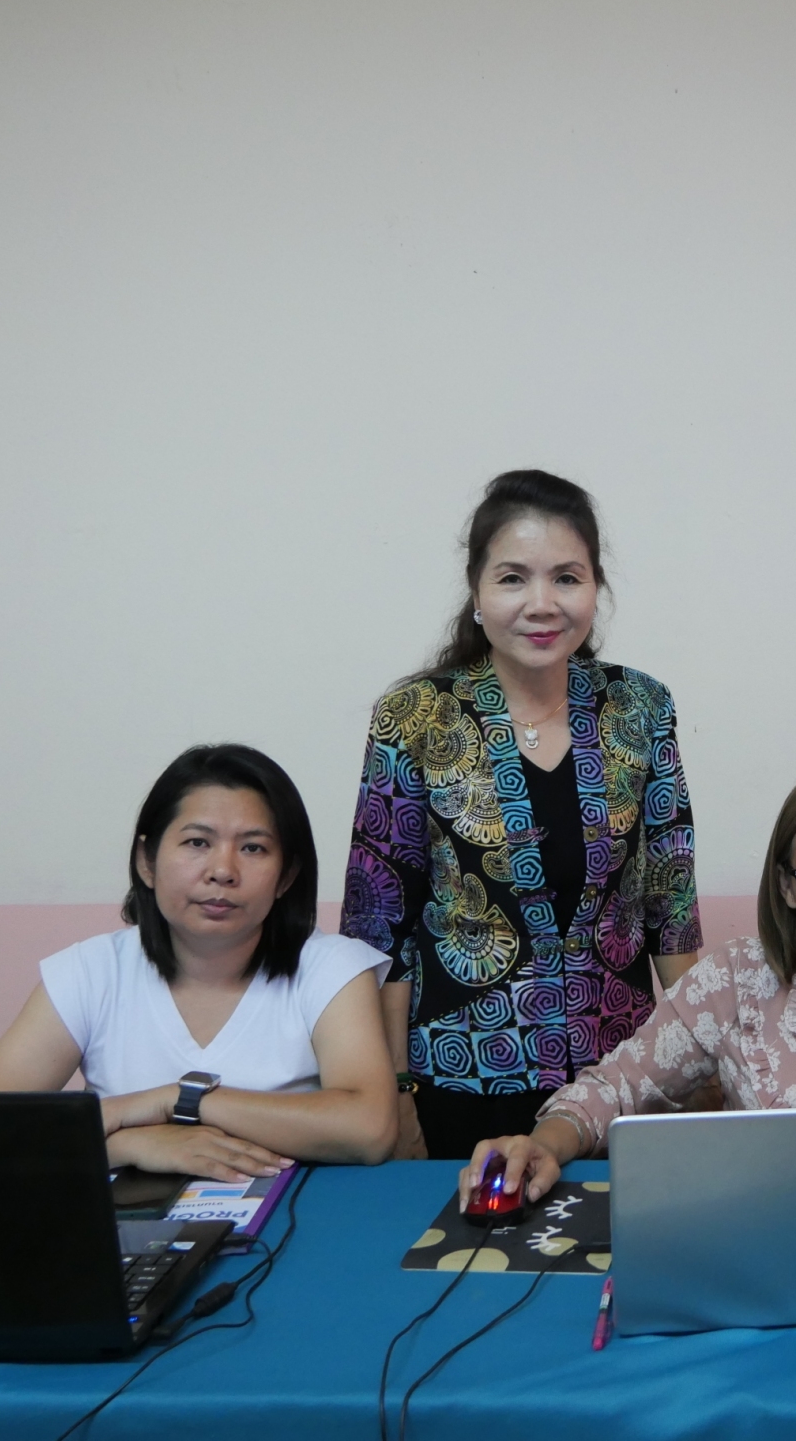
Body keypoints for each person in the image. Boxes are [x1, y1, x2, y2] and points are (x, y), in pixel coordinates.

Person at [340, 470, 703, 1160]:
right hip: (460, 1075)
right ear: (477, 593)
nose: (542, 604)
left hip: (619, 1074)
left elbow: (671, 907)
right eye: (513, 579)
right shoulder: (415, 717)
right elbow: (378, 928)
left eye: (566, 578)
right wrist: (395, 1092)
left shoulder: (641, 708)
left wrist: (700, 1065)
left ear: (595, 587)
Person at [460, 761, 796, 1207]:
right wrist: (543, 1144)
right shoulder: (735, 979)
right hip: (758, 1247)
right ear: (788, 889)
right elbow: (615, 1087)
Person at [0, 745, 397, 1179]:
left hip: (292, 1213)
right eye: (197, 842)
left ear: (286, 876)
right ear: (147, 862)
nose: (222, 870)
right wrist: (124, 1144)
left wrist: (178, 1101)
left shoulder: (331, 969)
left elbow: (369, 1130)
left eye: (253, 848)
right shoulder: (90, 973)